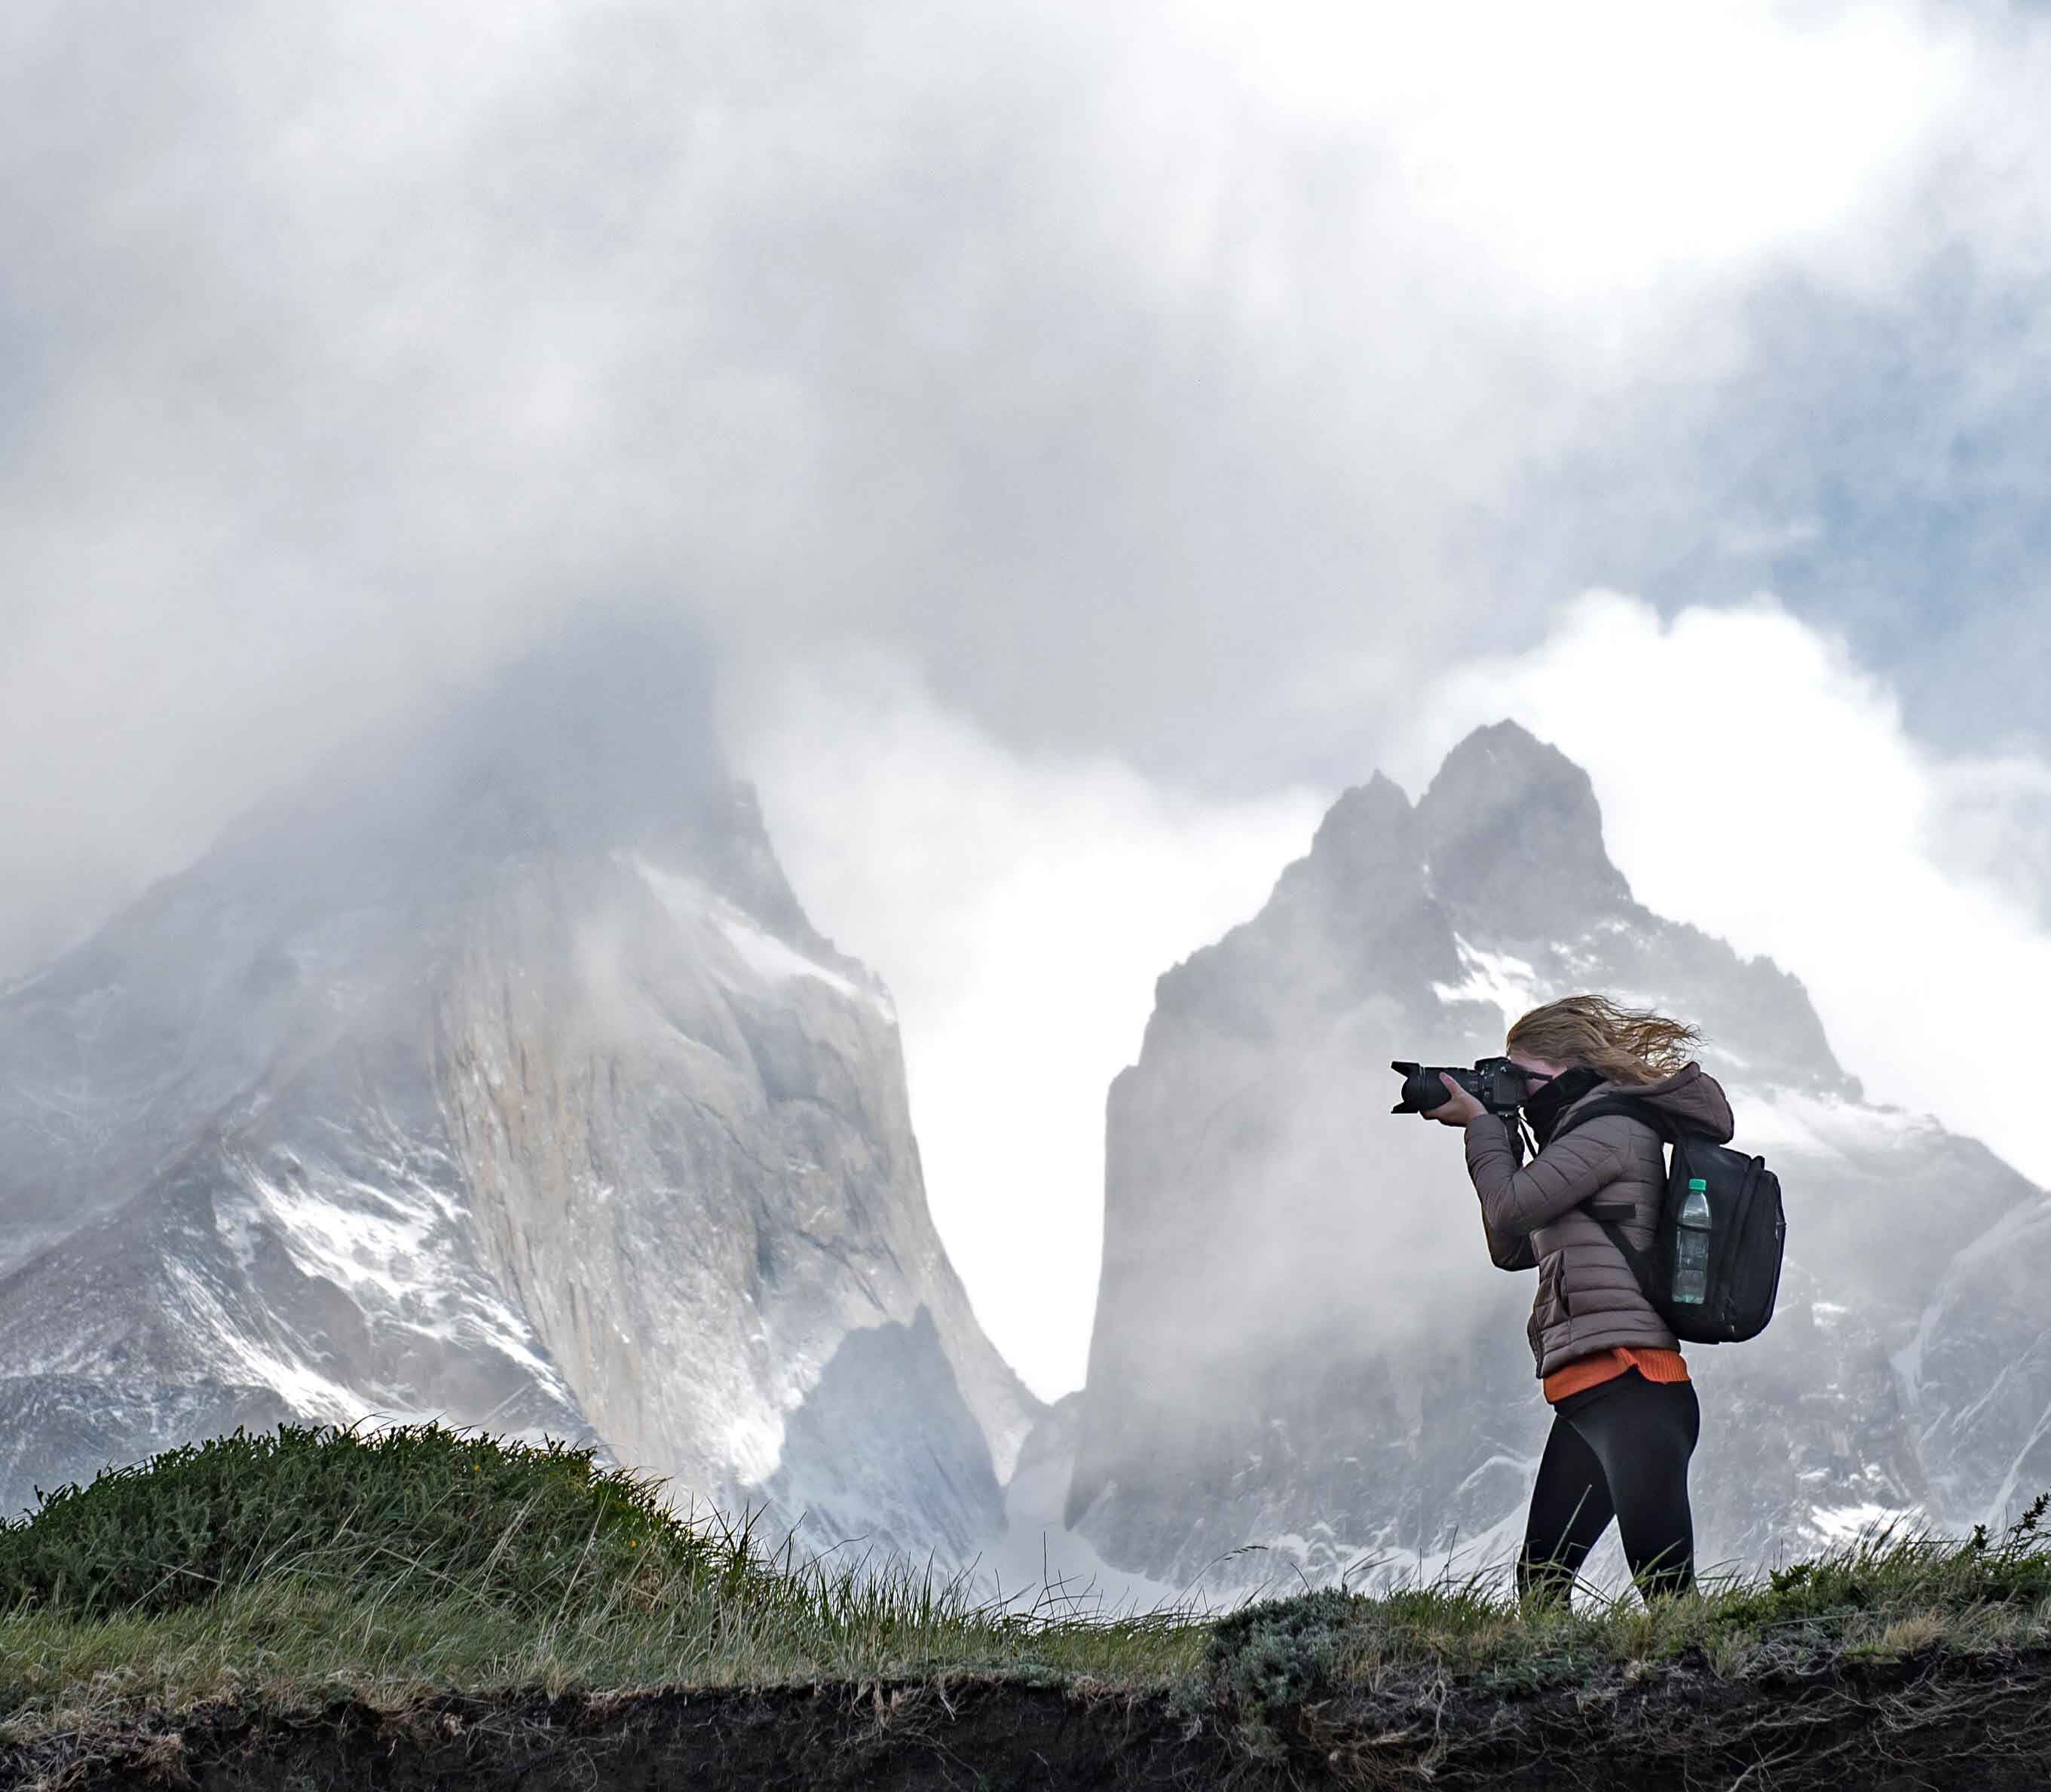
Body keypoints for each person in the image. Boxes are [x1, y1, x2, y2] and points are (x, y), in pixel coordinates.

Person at [1419, 993, 1734, 1605]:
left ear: (1565, 1066)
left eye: (1521, 1076)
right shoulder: (1574, 1135)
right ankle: (1561, 1675)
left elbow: (1509, 1206)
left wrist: (1481, 1127)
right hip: (1589, 1395)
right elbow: (1510, 1246)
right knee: (1541, 1583)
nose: (1516, 1090)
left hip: (1633, 1386)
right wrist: (1499, 1133)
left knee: (1667, 1592)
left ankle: (1736, 1671)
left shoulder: (1610, 1128)